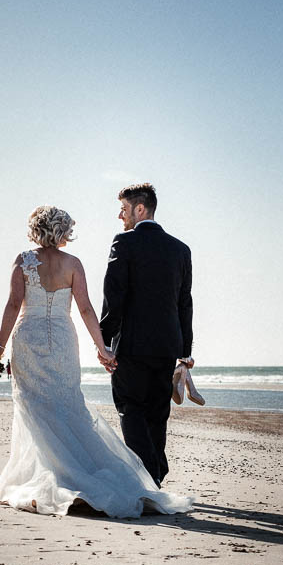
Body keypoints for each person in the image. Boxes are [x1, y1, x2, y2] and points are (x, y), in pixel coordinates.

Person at [0, 205, 190, 518]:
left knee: (33, 405)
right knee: (67, 402)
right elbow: (87, 310)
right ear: (62, 231)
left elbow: (13, 305)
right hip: (64, 339)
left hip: (28, 337)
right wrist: (102, 347)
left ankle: (49, 475)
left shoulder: (24, 261)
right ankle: (73, 472)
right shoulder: (73, 264)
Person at [99, 183, 194, 487]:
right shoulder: (181, 249)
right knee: (157, 411)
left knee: (130, 407)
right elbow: (184, 302)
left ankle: (148, 474)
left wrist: (104, 341)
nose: (120, 215)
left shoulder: (124, 242)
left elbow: (114, 295)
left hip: (132, 345)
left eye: (124, 209)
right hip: (167, 345)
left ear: (141, 209)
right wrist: (185, 349)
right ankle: (156, 473)